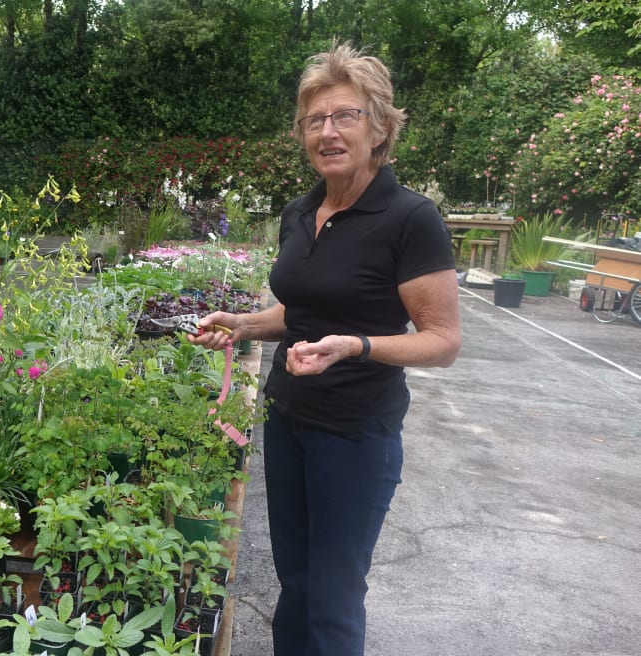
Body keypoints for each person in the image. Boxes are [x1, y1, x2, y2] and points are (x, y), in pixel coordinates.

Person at [190, 43, 462, 656]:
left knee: (334, 596)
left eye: (346, 116)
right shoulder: (301, 211)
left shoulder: (409, 218)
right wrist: (242, 324)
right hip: (286, 421)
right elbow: (303, 310)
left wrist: (357, 346)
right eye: (315, 120)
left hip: (355, 434)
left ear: (380, 128)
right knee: (295, 584)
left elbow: (443, 341)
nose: (328, 131)